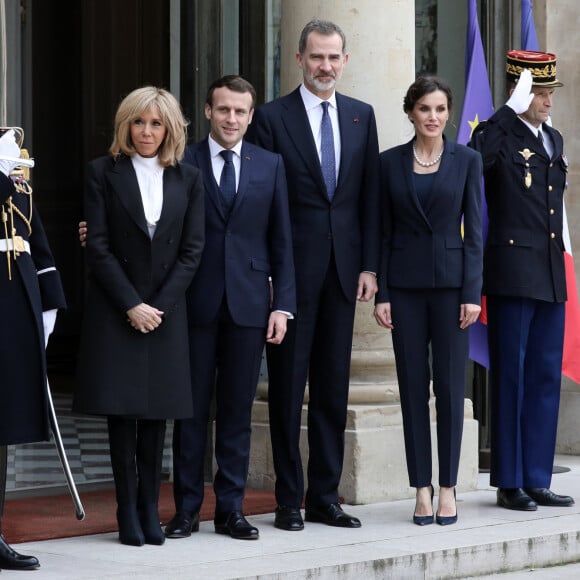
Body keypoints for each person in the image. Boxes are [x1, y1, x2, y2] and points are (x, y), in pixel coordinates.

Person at [246, 19, 380, 530]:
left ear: (345, 61)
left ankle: (325, 496)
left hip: (345, 274)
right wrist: (268, 276)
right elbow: (260, 202)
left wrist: (370, 265)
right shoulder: (272, 119)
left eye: (334, 58)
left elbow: (368, 198)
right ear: (299, 58)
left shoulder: (361, 117)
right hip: (290, 279)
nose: (325, 66)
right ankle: (287, 499)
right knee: (285, 389)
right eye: (317, 57)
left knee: (332, 388)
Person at [164, 75, 296, 541]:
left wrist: (284, 307)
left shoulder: (271, 164)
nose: (232, 119)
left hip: (250, 305)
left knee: (238, 411)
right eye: (224, 110)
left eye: (241, 112)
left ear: (251, 115)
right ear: (207, 111)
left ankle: (231, 510)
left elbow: (282, 243)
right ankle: (185, 510)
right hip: (194, 303)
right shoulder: (183, 160)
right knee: (191, 411)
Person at [73, 87, 205, 547]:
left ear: (170, 128)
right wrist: (132, 304)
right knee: (121, 416)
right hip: (118, 309)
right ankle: (126, 510)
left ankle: (152, 509)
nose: (146, 132)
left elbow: (192, 251)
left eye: (156, 123)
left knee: (156, 417)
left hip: (165, 312)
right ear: (125, 125)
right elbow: (99, 246)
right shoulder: (101, 173)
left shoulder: (189, 178)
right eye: (138, 122)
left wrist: (158, 307)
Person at [373, 77, 483, 526]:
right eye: (424, 109)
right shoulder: (388, 163)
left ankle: (449, 487)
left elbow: (475, 232)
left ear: (448, 113)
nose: (432, 117)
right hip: (403, 288)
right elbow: (382, 231)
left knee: (451, 390)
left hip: (454, 290)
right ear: (411, 113)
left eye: (440, 109)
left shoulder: (467, 160)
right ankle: (421, 486)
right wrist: (381, 292)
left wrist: (473, 294)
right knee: (412, 389)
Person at [469, 50, 574, 511]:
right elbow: (476, 164)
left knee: (544, 376)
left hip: (551, 274)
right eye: (541, 92)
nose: (548, 100)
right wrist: (507, 110)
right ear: (521, 92)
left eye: (551, 92)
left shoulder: (553, 138)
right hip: (512, 273)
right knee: (510, 374)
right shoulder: (497, 135)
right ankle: (509, 480)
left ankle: (537, 475)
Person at [0, 129, 66, 569]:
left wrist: (50, 302)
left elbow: (35, 241)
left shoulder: (14, 174)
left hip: (13, 307)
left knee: (2, 426)